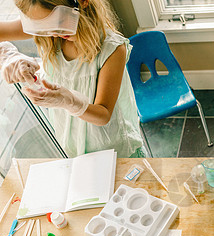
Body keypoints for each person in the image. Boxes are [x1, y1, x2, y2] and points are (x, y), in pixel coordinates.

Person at [0, 0, 146, 158]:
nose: (54, 32)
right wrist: (8, 55)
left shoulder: (112, 48)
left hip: (112, 146)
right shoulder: (50, 30)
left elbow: (103, 115)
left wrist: (69, 102)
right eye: (43, 27)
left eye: (59, 22)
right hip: (71, 145)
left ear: (83, 2)